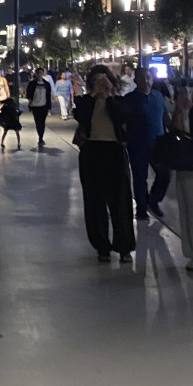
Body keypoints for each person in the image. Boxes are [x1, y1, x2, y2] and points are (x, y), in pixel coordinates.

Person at [73, 66, 135, 264]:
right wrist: (94, 96)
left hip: (114, 151)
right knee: (94, 202)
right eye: (96, 80)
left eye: (104, 79)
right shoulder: (85, 101)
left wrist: (108, 96)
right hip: (92, 151)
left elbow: (122, 118)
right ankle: (102, 247)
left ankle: (124, 247)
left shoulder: (118, 101)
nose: (101, 83)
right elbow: (81, 116)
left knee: (120, 201)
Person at [121, 67, 171, 220]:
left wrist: (173, 134)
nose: (146, 81)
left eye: (148, 78)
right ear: (136, 81)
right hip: (137, 145)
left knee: (165, 174)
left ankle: (153, 200)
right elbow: (122, 122)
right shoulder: (129, 99)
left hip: (158, 144)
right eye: (142, 78)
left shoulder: (158, 96)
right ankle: (141, 209)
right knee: (140, 178)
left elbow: (166, 117)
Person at [173, 61, 193, 272]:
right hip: (190, 156)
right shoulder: (188, 96)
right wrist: (180, 111)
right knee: (192, 208)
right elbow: (176, 127)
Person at [26, 67, 52, 147]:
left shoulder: (46, 84)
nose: (40, 75)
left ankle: (41, 138)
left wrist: (49, 107)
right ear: (36, 74)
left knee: (42, 122)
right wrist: (30, 101)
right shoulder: (32, 84)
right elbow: (28, 93)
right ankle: (40, 137)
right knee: (38, 122)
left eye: (41, 73)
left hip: (44, 105)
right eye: (38, 73)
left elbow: (48, 95)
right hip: (35, 106)